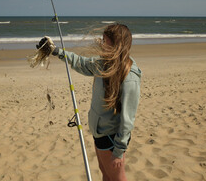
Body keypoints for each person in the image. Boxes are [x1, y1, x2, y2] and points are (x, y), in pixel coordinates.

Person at [37, 24, 142, 181]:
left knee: (117, 177)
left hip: (112, 138)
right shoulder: (103, 63)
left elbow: (128, 120)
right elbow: (82, 63)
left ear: (116, 45)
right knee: (105, 172)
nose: (101, 43)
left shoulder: (129, 76)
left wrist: (119, 151)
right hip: (99, 132)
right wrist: (57, 51)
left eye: (105, 40)